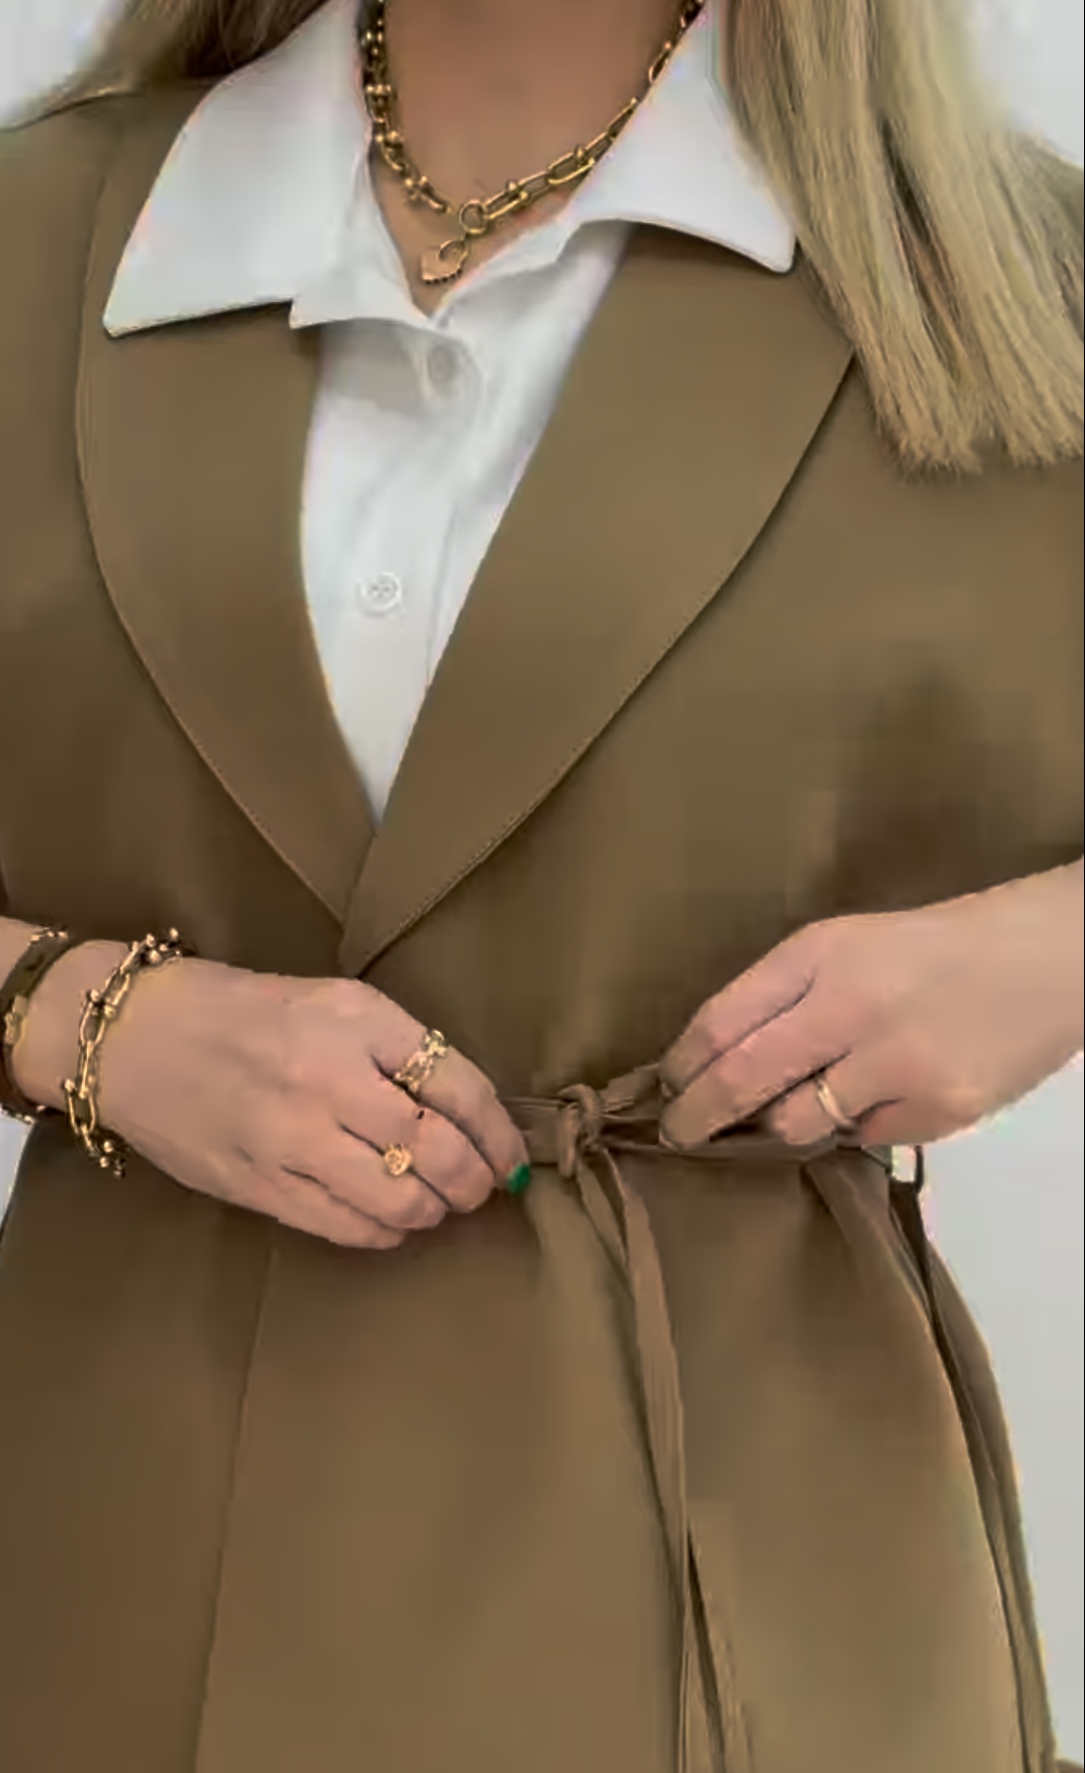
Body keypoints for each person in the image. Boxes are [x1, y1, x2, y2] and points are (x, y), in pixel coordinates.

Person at [0, 0, 1081, 1768]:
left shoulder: (1018, 284)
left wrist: (1053, 952)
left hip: (757, 1581)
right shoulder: (39, 244)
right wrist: (88, 1020)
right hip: (112, 1542)